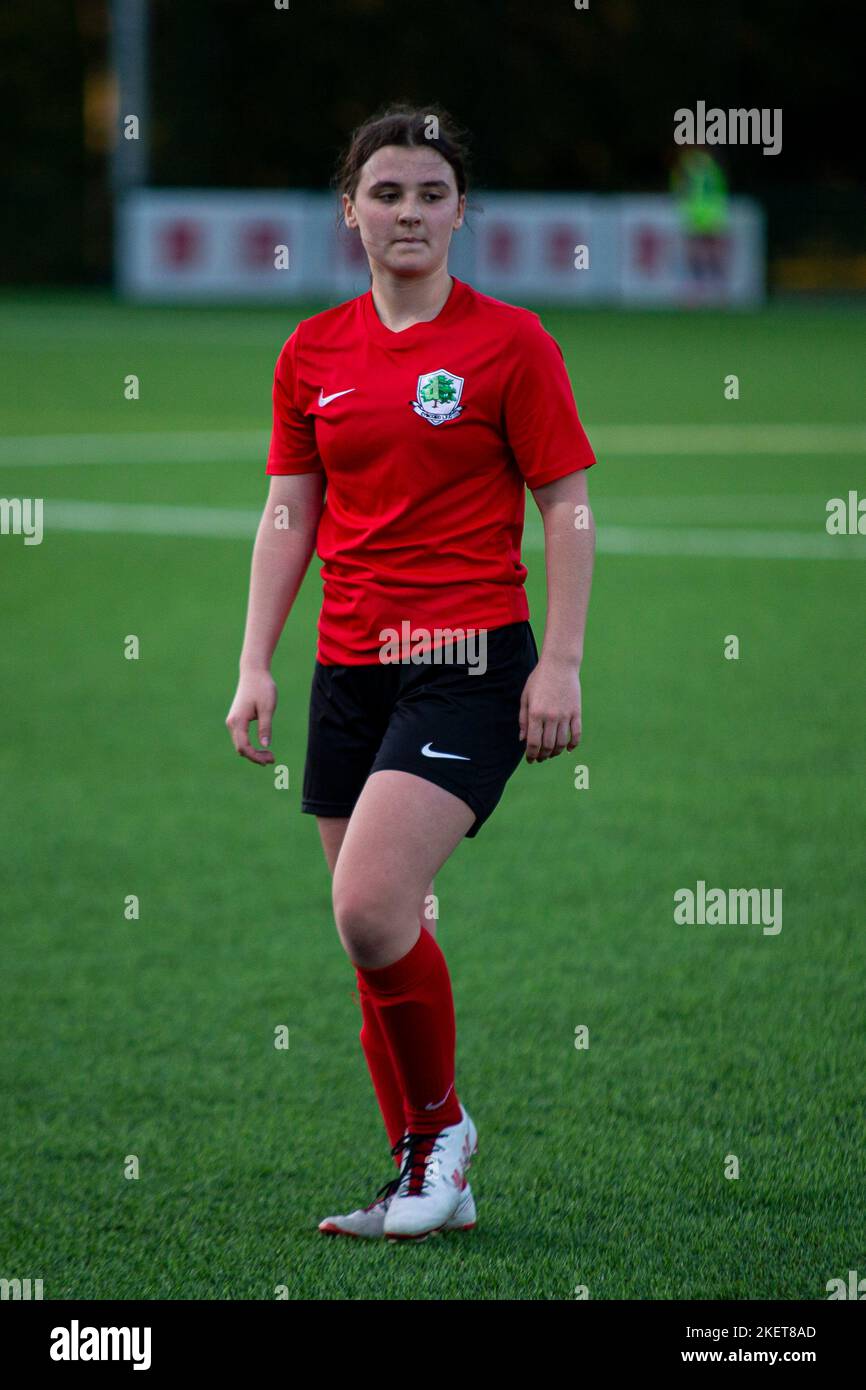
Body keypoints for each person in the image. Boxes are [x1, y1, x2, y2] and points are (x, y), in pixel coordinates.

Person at [225, 104, 596, 1241]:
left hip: (471, 662)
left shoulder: (510, 344)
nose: (408, 213)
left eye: (431, 193)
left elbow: (566, 506)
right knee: (365, 936)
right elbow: (290, 512)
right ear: (350, 210)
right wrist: (255, 663)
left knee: (374, 905)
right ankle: (426, 1173)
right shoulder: (312, 352)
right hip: (350, 666)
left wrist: (563, 662)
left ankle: (440, 1137)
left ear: (459, 212)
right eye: (386, 192)